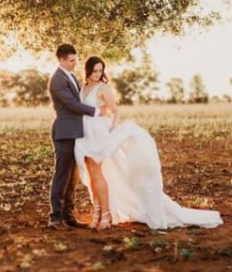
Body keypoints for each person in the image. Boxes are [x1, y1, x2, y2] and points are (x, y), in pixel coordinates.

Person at [74, 56, 223, 230]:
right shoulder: (83, 86)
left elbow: (114, 111)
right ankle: (97, 212)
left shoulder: (103, 88)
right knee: (91, 174)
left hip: (98, 133)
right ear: (88, 70)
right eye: (94, 71)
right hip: (84, 132)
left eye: (100, 71)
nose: (97, 74)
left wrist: (112, 130)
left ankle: (106, 215)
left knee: (98, 172)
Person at [47, 44, 107, 230]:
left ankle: (68, 215)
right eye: (72, 60)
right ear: (62, 60)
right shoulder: (57, 79)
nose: (75, 63)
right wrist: (96, 111)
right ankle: (55, 218)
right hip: (64, 132)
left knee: (72, 176)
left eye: (75, 59)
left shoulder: (70, 76)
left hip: (76, 133)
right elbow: (72, 104)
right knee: (62, 175)